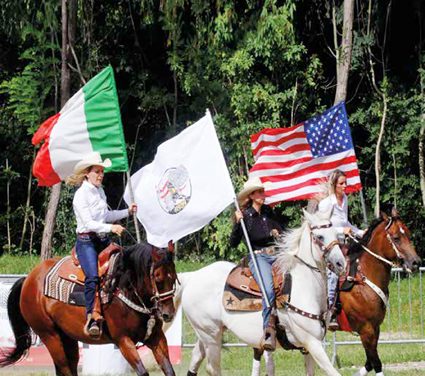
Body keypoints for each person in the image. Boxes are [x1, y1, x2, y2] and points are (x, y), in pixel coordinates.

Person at [66, 151, 137, 338]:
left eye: (102, 172)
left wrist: (127, 212)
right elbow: (89, 223)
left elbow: (106, 216)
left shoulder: (100, 191)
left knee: (125, 265)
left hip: (102, 239)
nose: (101, 175)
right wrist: (112, 228)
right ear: (87, 173)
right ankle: (91, 316)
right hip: (86, 242)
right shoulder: (81, 195)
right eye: (97, 171)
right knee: (92, 277)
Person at [230, 176, 284, 351]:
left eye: (263, 191)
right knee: (268, 288)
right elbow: (233, 243)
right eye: (259, 192)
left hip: (276, 254)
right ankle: (268, 328)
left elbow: (281, 231)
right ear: (252, 195)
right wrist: (238, 224)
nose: (263, 194)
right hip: (258, 257)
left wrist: (277, 232)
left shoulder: (269, 212)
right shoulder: (245, 216)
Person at [318, 169, 365, 330]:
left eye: (346, 182)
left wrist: (360, 232)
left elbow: (346, 224)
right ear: (334, 184)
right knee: (333, 274)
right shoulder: (326, 203)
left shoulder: (344, 199)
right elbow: (321, 227)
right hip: (329, 246)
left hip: (342, 244)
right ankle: (330, 310)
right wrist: (340, 232)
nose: (345, 186)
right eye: (341, 183)